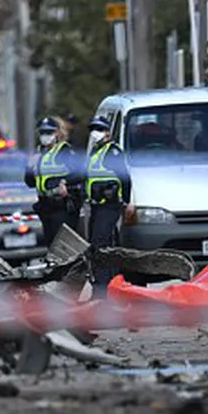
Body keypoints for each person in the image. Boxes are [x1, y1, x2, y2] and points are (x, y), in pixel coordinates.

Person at [84, 115, 133, 298]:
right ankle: (107, 287)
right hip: (96, 207)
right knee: (98, 247)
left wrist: (126, 201)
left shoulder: (113, 152)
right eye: (92, 129)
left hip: (109, 206)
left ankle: (101, 292)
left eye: (98, 129)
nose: (94, 133)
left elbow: (125, 178)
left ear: (107, 132)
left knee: (101, 247)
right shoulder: (95, 152)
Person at [24, 116, 82, 245]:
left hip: (61, 206)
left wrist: (64, 182)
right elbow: (30, 183)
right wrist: (29, 167)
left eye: (49, 132)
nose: (45, 136)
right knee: (50, 244)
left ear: (57, 133)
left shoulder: (64, 151)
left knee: (62, 244)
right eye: (42, 133)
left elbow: (80, 174)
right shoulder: (37, 154)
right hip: (45, 205)